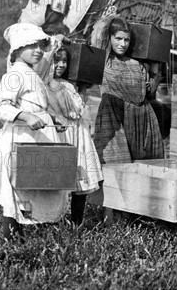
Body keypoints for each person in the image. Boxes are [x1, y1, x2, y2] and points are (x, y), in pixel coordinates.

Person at [0, 23, 70, 240]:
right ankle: (13, 238)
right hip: (22, 137)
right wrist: (25, 116)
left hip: (40, 136)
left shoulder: (32, 73)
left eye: (39, 45)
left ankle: (42, 234)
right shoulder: (15, 74)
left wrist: (53, 117)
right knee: (19, 187)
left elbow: (37, 105)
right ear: (17, 49)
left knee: (42, 184)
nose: (37, 50)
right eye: (30, 45)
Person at [42, 43, 104, 225]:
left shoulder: (68, 85)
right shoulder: (43, 84)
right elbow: (69, 110)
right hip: (59, 134)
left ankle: (77, 222)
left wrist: (82, 90)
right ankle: (50, 220)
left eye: (64, 61)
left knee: (80, 178)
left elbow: (78, 110)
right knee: (56, 182)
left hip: (77, 133)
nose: (61, 65)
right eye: (56, 60)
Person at [93, 17, 164, 163]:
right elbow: (97, 38)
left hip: (143, 119)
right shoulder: (104, 61)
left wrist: (156, 64)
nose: (122, 44)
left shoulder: (137, 64)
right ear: (109, 37)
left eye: (126, 40)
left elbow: (149, 93)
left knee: (147, 167)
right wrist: (108, 19)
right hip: (115, 118)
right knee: (117, 166)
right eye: (118, 38)